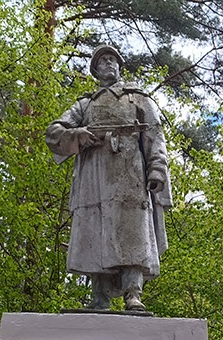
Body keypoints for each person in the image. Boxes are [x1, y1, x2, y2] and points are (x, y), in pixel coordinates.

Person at [46, 46, 172, 312]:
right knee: (96, 232)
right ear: (95, 70)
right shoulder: (85, 104)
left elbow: (155, 136)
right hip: (93, 177)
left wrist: (157, 170)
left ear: (119, 66)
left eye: (112, 59)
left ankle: (133, 293)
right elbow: (54, 133)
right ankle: (99, 298)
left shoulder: (136, 98)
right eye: (101, 60)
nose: (108, 62)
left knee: (132, 232)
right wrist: (80, 135)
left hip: (130, 174)